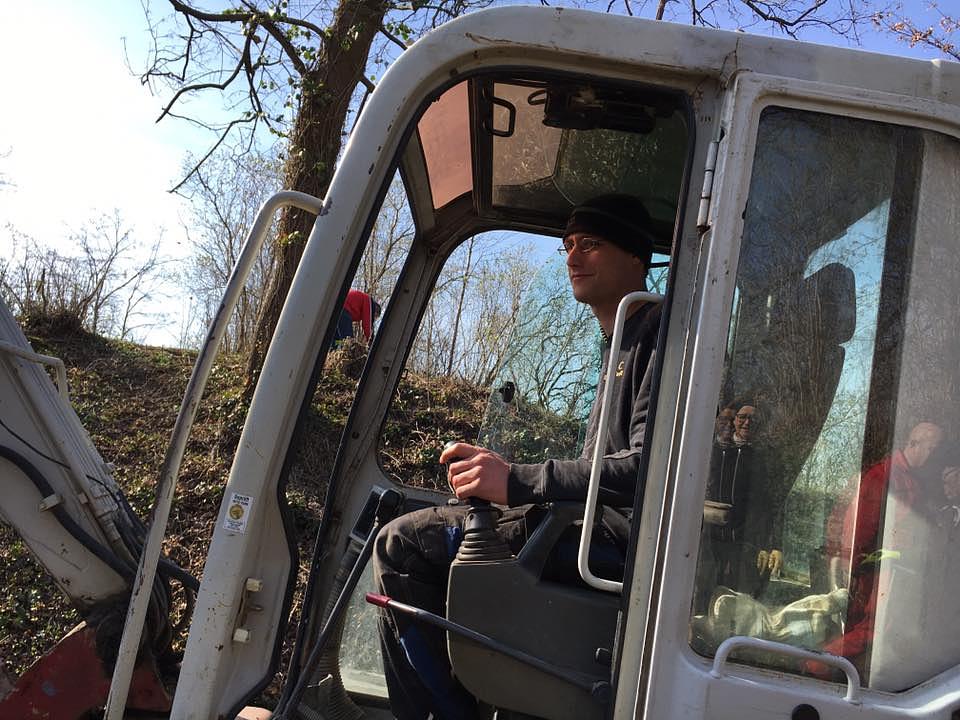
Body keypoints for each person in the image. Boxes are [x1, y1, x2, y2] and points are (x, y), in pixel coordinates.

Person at [372, 194, 662, 720]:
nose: (573, 257)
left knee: (403, 547)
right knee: (418, 524)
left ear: (637, 257)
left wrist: (518, 482)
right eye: (567, 245)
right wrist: (502, 481)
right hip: (590, 528)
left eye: (591, 244)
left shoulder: (659, 336)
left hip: (614, 542)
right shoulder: (616, 342)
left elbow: (647, 470)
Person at [817, 421, 945, 672]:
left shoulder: (913, 479)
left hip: (894, 574)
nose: (936, 457)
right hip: (877, 574)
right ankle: (817, 665)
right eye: (934, 448)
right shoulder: (884, 476)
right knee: (873, 630)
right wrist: (854, 569)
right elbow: (859, 530)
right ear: (914, 443)